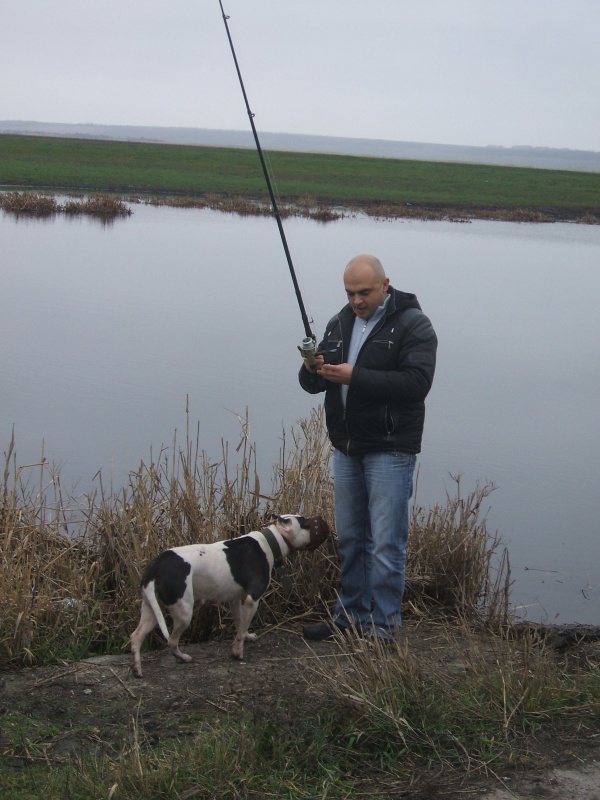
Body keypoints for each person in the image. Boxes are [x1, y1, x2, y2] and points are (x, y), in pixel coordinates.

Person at [299, 254, 437, 641]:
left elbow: (416, 384)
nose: (356, 301)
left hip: (390, 449)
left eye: (364, 292)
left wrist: (355, 376)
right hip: (346, 447)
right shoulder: (339, 322)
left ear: (385, 285)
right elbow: (314, 384)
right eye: (350, 293)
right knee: (351, 540)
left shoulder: (413, 324)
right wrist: (312, 370)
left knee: (387, 544)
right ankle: (350, 617)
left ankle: (385, 628)